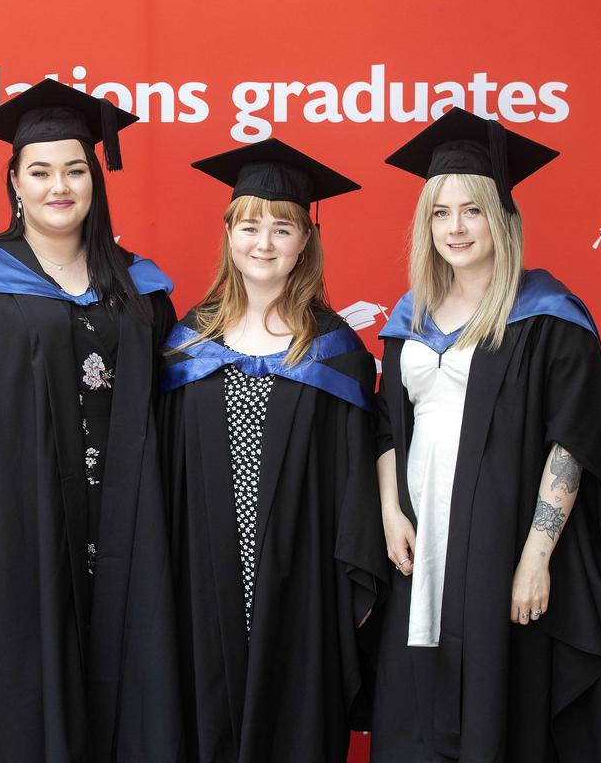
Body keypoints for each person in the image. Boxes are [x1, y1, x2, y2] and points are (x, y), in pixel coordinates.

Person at [0, 79, 181, 762]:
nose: (59, 186)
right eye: (40, 171)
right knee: (25, 685)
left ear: (95, 181)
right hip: (19, 519)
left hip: (124, 522)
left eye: (75, 170)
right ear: (14, 182)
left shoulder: (142, 286)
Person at [370, 107, 601, 762]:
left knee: (496, 708)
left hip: (500, 547)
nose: (455, 227)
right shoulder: (410, 318)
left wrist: (536, 557)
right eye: (439, 212)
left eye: (472, 209)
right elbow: (383, 423)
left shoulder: (550, 318)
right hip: (418, 550)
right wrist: (390, 511)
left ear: (502, 217)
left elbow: (572, 441)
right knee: (414, 713)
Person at [159, 138, 389, 762]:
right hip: (202, 570)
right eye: (249, 225)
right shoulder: (186, 342)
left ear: (305, 242)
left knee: (294, 715)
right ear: (229, 232)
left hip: (302, 578)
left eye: (282, 228)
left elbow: (355, 482)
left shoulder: (335, 350)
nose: (263, 243)